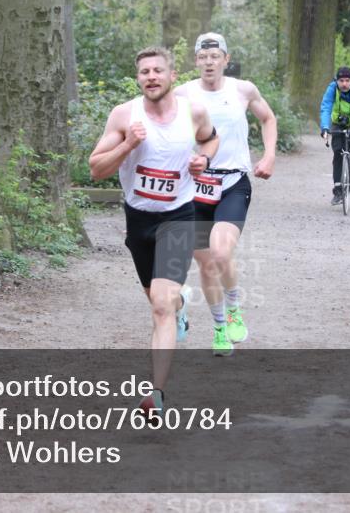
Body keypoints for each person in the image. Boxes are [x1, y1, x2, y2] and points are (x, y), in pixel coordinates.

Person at [88, 46, 218, 416]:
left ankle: (156, 393)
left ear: (172, 76)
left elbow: (210, 138)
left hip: (178, 216)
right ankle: (179, 306)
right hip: (139, 219)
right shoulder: (124, 116)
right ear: (138, 78)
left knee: (159, 307)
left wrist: (203, 159)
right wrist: (129, 143)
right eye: (144, 72)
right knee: (159, 299)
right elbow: (95, 169)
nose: (151, 77)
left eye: (158, 70)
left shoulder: (192, 111)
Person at [178, 33, 276, 357]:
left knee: (221, 254)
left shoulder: (243, 90)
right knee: (206, 265)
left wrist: (269, 155)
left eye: (215, 56)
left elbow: (267, 118)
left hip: (233, 182)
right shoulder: (182, 94)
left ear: (225, 58)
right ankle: (219, 329)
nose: (209, 62)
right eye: (203, 57)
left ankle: (234, 307)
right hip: (196, 186)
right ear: (196, 60)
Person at [319, 66, 350, 205]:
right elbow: (326, 106)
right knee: (338, 151)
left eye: (347, 80)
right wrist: (324, 127)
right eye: (341, 80)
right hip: (338, 120)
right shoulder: (332, 88)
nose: (344, 84)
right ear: (337, 81)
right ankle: (338, 189)